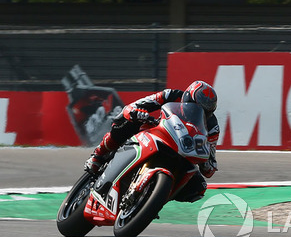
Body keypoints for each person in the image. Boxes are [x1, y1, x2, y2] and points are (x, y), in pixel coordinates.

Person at [83, 81, 219, 203]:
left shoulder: (212, 126)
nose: (198, 112)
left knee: (198, 186)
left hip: (182, 152)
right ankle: (99, 154)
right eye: (195, 106)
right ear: (187, 97)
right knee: (126, 122)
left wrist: (208, 163)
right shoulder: (171, 95)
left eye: (204, 111)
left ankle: (153, 199)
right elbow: (140, 103)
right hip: (155, 131)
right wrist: (135, 112)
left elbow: (210, 159)